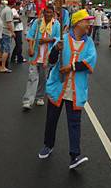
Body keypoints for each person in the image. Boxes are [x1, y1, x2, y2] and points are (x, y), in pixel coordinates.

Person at [38, 9, 97, 170]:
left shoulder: (89, 43)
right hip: (58, 86)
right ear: (77, 23)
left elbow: (90, 61)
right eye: (86, 21)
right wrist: (56, 49)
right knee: (51, 119)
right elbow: (51, 61)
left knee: (74, 123)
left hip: (76, 90)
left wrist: (70, 67)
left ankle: (74, 155)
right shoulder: (62, 40)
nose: (89, 24)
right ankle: (48, 145)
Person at [22, 4, 60, 110]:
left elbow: (58, 39)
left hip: (47, 56)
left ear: (53, 14)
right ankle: (28, 101)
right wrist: (30, 48)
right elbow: (30, 35)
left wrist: (49, 40)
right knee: (32, 78)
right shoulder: (37, 22)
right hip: (35, 55)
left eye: (50, 13)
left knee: (43, 78)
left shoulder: (56, 24)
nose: (48, 14)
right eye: (46, 12)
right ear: (43, 13)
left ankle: (39, 97)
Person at [0, 0, 14, 73]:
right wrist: (12, 32)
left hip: (2, 31)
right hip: (6, 32)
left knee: (1, 49)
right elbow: (9, 23)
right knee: (6, 50)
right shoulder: (8, 11)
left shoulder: (4, 9)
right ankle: (3, 66)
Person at [10, 0, 25, 64]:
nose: (20, 7)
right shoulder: (13, 10)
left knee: (19, 44)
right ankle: (19, 58)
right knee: (19, 44)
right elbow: (13, 18)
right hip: (16, 29)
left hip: (18, 29)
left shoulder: (16, 10)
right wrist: (19, 18)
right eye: (19, 6)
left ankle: (14, 57)